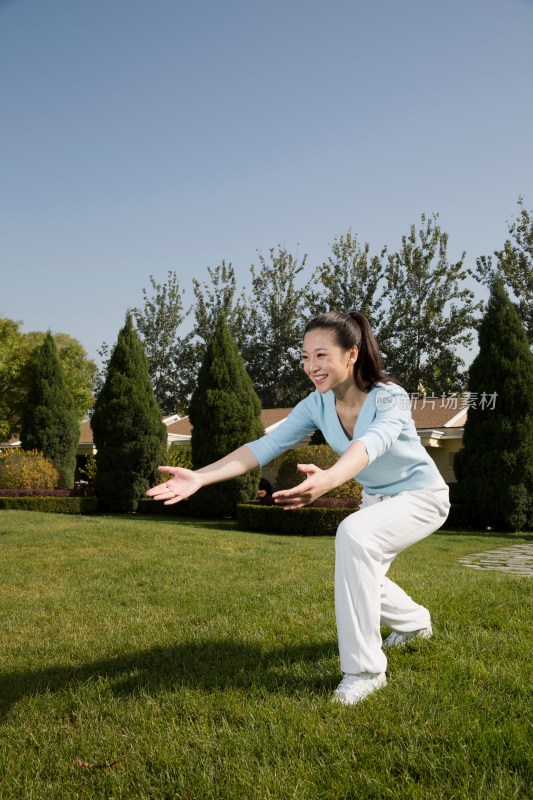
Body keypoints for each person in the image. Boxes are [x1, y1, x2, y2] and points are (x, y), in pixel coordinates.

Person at [146, 311, 450, 706]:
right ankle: (414, 623)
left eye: (321, 355)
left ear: (351, 354)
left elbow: (372, 443)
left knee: (353, 536)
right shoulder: (315, 404)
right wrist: (201, 477)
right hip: (377, 498)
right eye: (305, 357)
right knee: (361, 574)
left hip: (421, 496)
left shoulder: (389, 396)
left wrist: (328, 479)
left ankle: (365, 672)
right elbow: (264, 446)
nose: (311, 367)